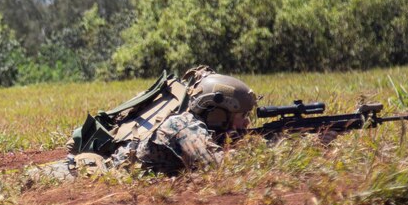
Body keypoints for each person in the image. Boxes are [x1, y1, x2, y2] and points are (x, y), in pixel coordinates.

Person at [36, 66, 257, 180]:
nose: (246, 124)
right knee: (26, 180)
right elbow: (217, 168)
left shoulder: (197, 128)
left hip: (105, 175)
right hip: (85, 175)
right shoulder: (184, 126)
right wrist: (258, 150)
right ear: (217, 113)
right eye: (242, 117)